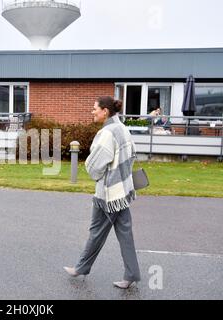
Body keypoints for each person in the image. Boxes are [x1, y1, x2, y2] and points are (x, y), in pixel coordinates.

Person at [63, 96, 141, 289]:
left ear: (105, 111)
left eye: (95, 108)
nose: (92, 112)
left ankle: (81, 268)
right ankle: (131, 274)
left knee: (96, 231)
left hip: (108, 194)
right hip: (122, 191)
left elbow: (95, 165)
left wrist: (96, 173)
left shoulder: (107, 132)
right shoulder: (122, 128)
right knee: (125, 233)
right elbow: (133, 154)